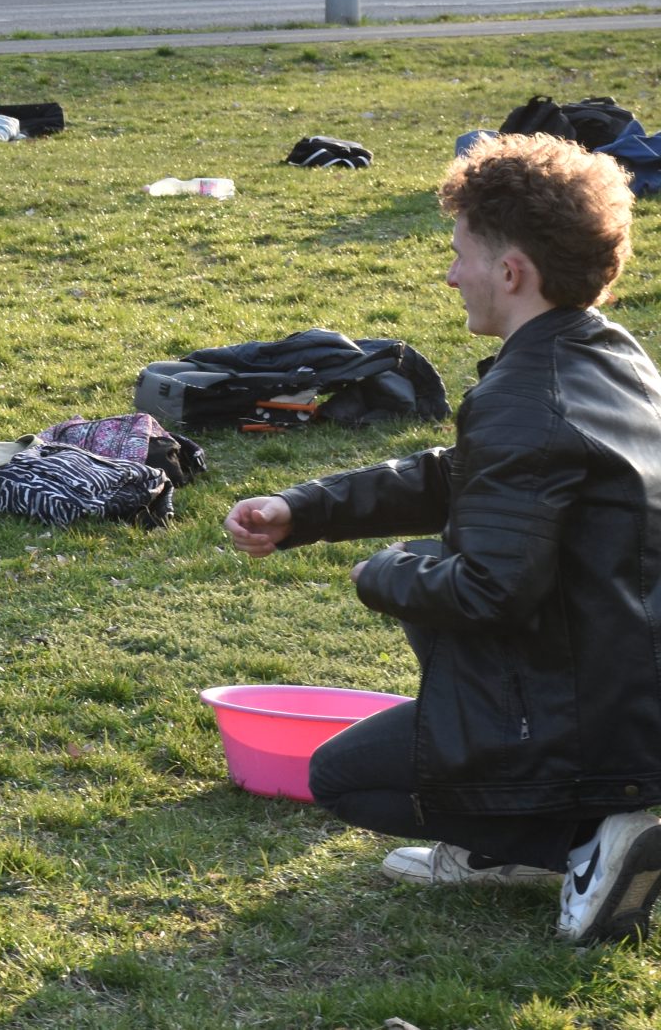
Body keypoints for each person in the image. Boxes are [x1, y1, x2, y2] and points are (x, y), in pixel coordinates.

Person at [225, 134, 661, 945]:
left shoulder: (526, 398)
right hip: (629, 690)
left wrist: (380, 573)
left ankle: (580, 841)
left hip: (588, 719)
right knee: (434, 566)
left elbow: (491, 589)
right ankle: (538, 836)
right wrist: (304, 509)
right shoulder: (610, 355)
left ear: (511, 272)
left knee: (344, 776)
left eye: (460, 254)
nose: (451, 274)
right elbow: (462, 473)